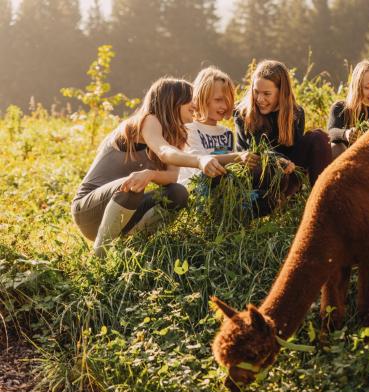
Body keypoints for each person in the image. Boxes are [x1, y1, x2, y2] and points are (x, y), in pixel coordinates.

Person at [71, 77, 219, 256]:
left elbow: (172, 177)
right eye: (190, 99)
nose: (195, 104)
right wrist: (199, 161)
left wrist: (151, 174)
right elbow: (164, 151)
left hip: (121, 214)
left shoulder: (176, 135)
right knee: (133, 184)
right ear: (172, 100)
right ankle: (99, 256)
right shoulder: (147, 120)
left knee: (177, 192)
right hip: (88, 211)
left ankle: (134, 246)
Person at [234, 60, 332, 197]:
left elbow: (297, 152)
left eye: (267, 94)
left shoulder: (296, 113)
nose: (260, 99)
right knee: (268, 166)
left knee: (319, 137)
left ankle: (321, 197)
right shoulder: (243, 114)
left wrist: (288, 164)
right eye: (256, 92)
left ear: (281, 93)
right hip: (259, 174)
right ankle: (277, 200)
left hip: (289, 172)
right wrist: (277, 160)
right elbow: (254, 152)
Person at [177, 67, 258, 187]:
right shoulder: (189, 129)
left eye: (227, 101)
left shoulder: (227, 133)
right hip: (194, 191)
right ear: (202, 98)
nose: (224, 106)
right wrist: (237, 157)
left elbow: (229, 168)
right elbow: (200, 160)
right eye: (218, 100)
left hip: (219, 192)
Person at [327, 60, 369, 158]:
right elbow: (331, 133)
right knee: (336, 146)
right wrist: (346, 134)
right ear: (357, 87)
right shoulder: (341, 108)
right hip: (349, 159)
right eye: (368, 87)